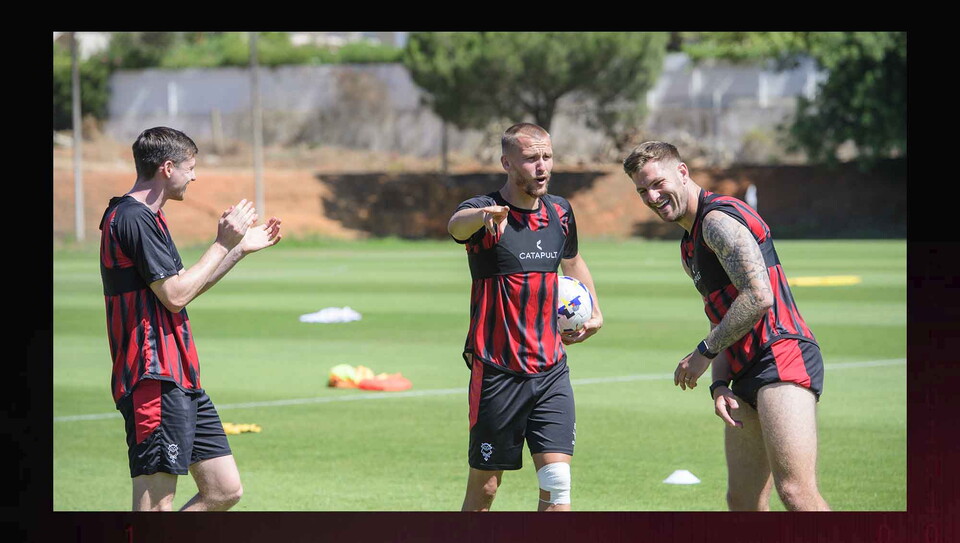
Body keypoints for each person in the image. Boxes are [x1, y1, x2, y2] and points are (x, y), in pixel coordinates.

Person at [621, 141, 830, 511]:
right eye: (642, 190)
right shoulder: (689, 247)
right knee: (742, 501)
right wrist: (719, 382)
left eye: (657, 183)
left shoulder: (717, 221)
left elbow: (759, 296)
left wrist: (703, 353)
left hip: (781, 354)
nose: (652, 197)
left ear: (682, 173)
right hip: (744, 368)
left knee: (795, 492)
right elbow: (720, 319)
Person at [98, 127, 282, 511]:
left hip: (181, 377)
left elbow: (186, 285)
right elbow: (176, 296)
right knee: (155, 507)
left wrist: (237, 249)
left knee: (224, 490)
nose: (194, 176)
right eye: (190, 167)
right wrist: (221, 243)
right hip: (153, 376)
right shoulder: (132, 218)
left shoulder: (151, 217)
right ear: (168, 168)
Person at [448, 122, 603, 511]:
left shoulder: (559, 211)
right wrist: (483, 215)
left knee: (557, 483)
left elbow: (572, 260)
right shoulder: (483, 211)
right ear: (507, 162)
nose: (542, 166)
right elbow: (456, 227)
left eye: (547, 157)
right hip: (498, 371)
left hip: (551, 370)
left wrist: (595, 310)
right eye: (532, 158)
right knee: (485, 489)